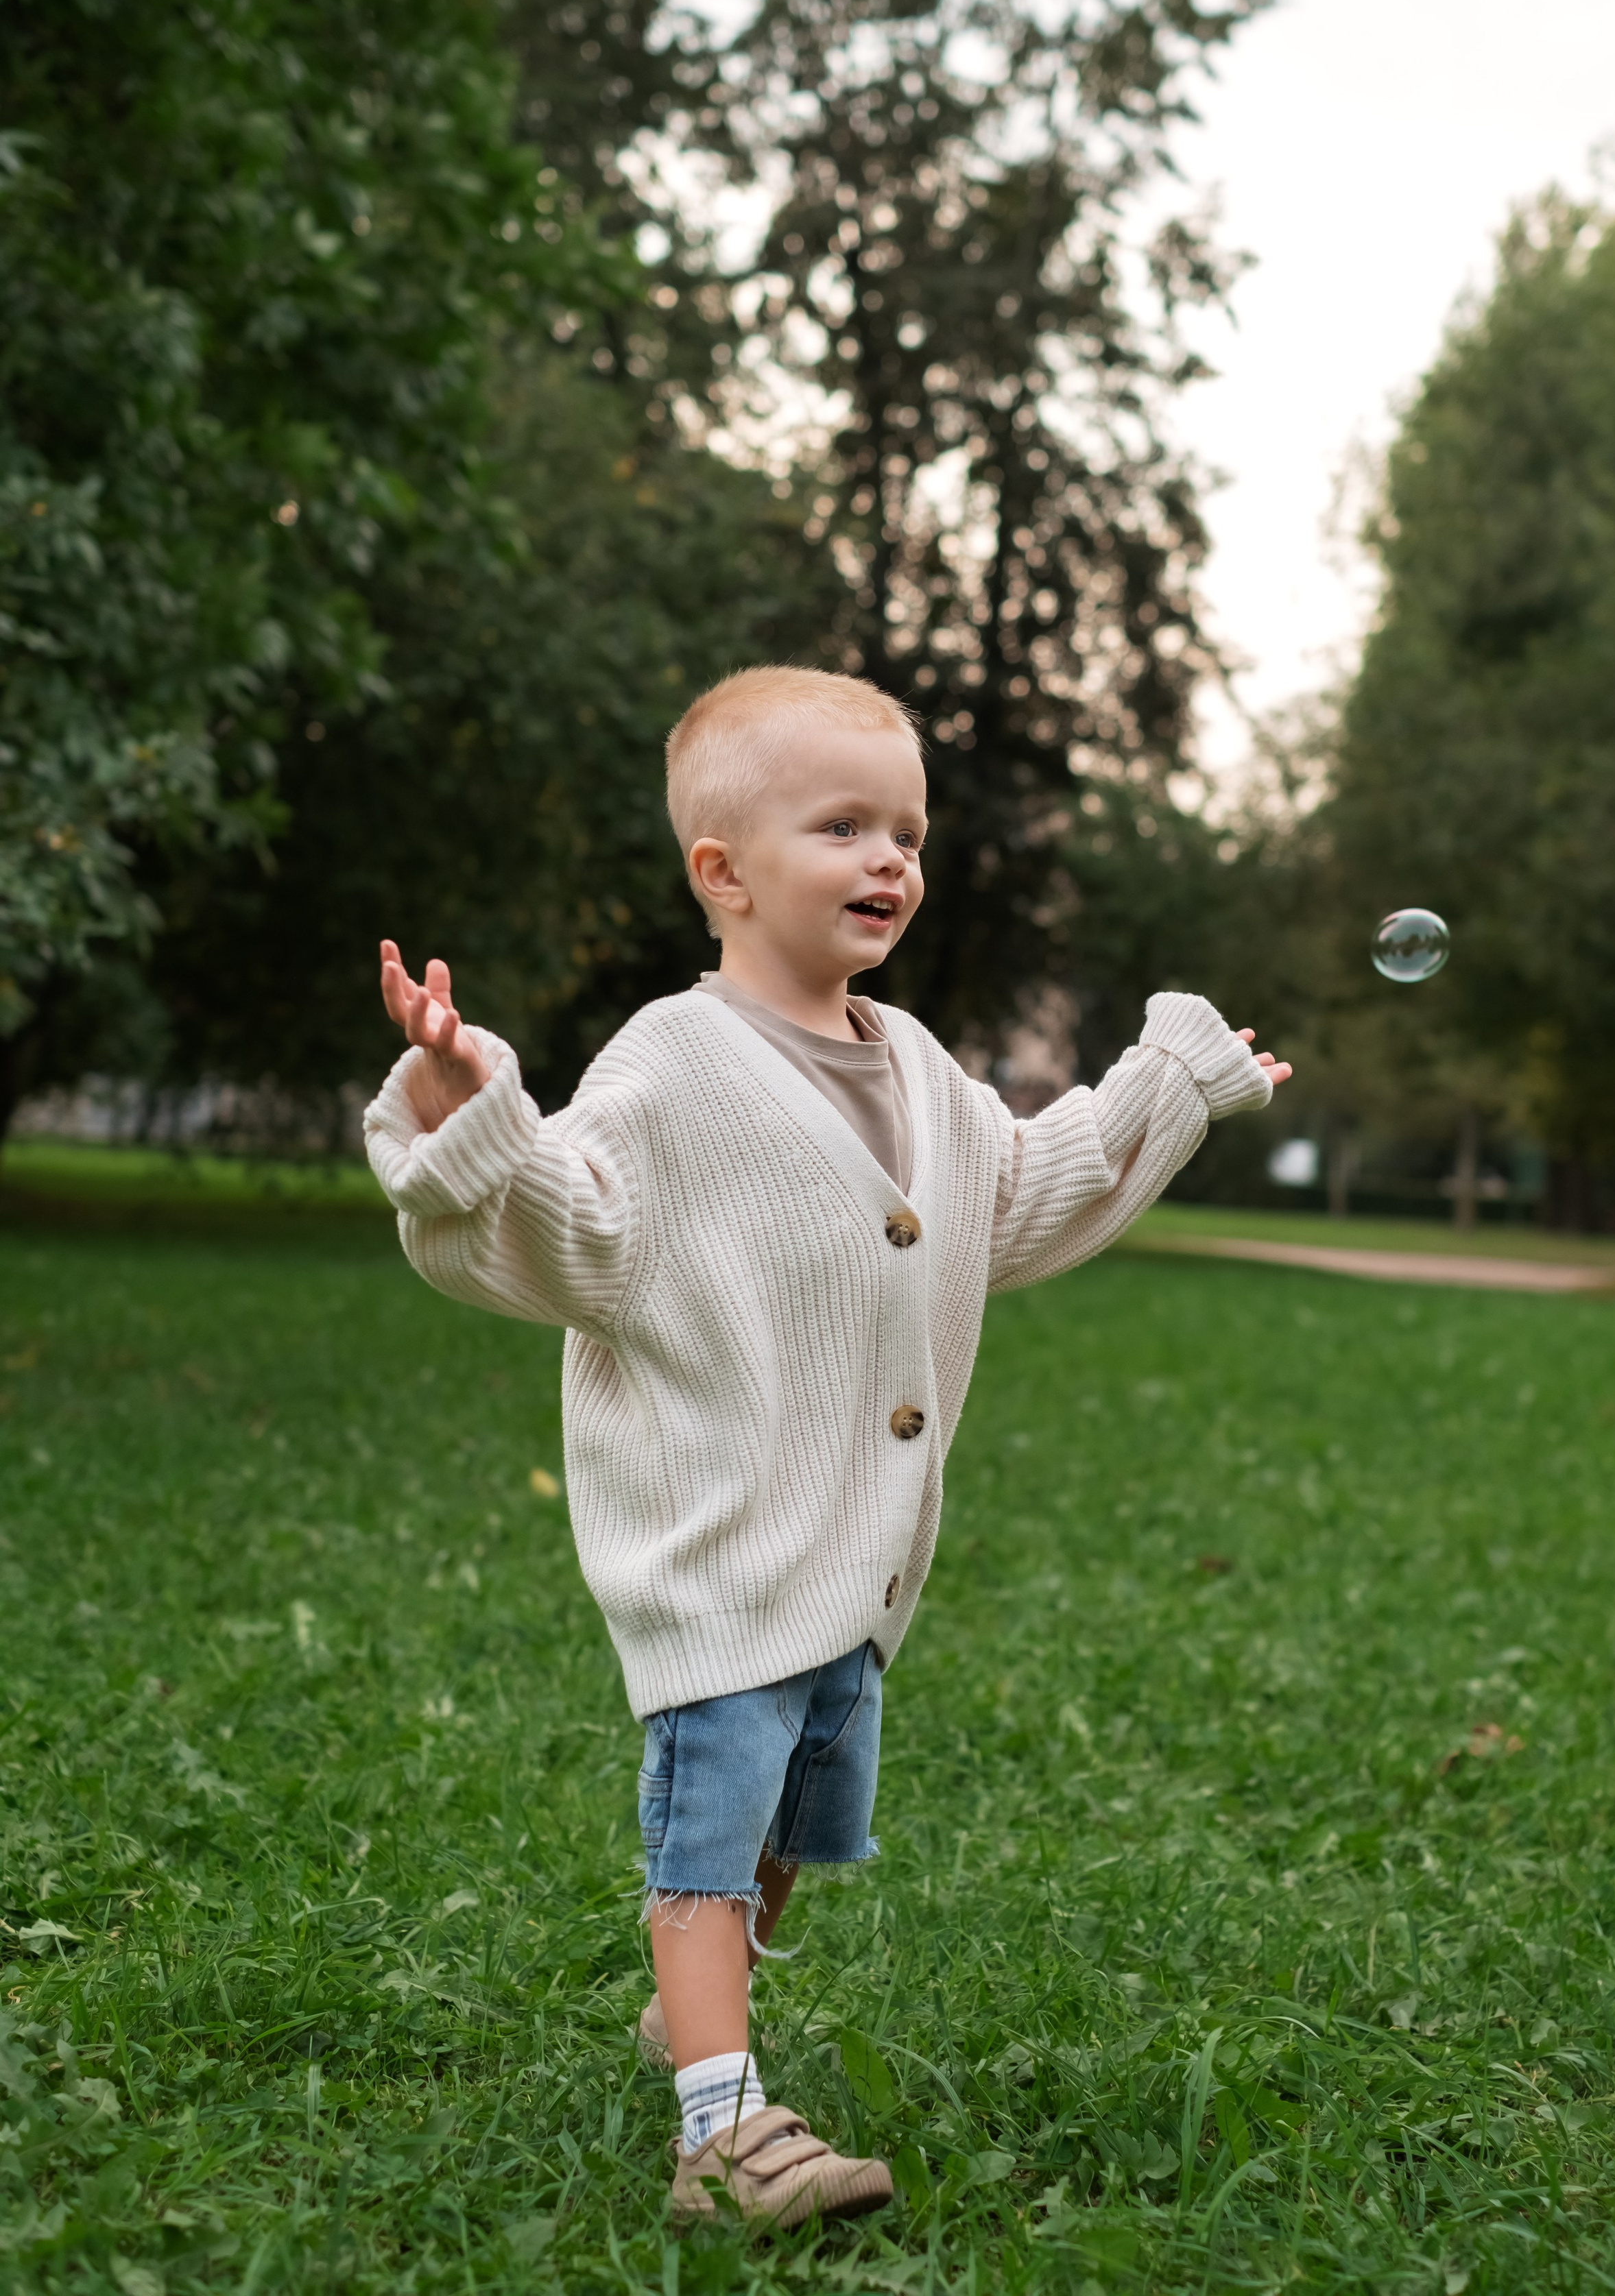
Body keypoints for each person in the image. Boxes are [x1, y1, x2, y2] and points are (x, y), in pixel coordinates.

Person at [366, 666, 1289, 2229]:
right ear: (720, 872)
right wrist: (476, 1108)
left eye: (908, 832)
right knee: (710, 1846)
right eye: (842, 825)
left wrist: (1167, 1087)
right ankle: (718, 2134)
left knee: (793, 1828)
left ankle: (697, 2000)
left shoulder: (917, 1062)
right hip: (720, 1551)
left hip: (850, 1564)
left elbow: (1008, 1196)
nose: (890, 861)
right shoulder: (674, 1060)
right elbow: (573, 1223)